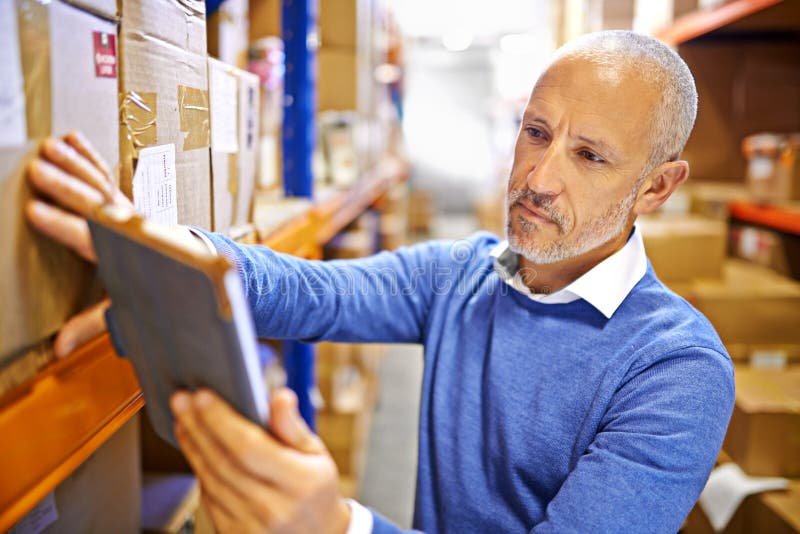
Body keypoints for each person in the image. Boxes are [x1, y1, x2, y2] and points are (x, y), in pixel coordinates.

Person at [25, 30, 734, 533]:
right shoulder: (461, 276)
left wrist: (336, 527)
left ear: (656, 187)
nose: (540, 179)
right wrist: (149, 246)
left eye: (589, 156)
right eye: (537, 132)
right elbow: (312, 292)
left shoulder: (675, 371)